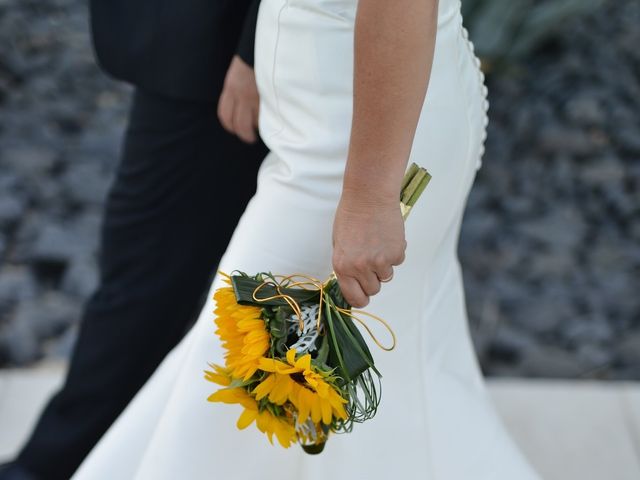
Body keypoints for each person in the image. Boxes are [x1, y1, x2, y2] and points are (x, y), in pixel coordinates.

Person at [70, 0, 544, 478]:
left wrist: (368, 197)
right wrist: (256, 52)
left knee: (239, 385)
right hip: (319, 121)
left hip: (355, 144)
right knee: (381, 393)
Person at [0, 1, 267, 479]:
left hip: (221, 52)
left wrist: (254, 50)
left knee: (147, 277)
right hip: (215, 53)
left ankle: (59, 466)